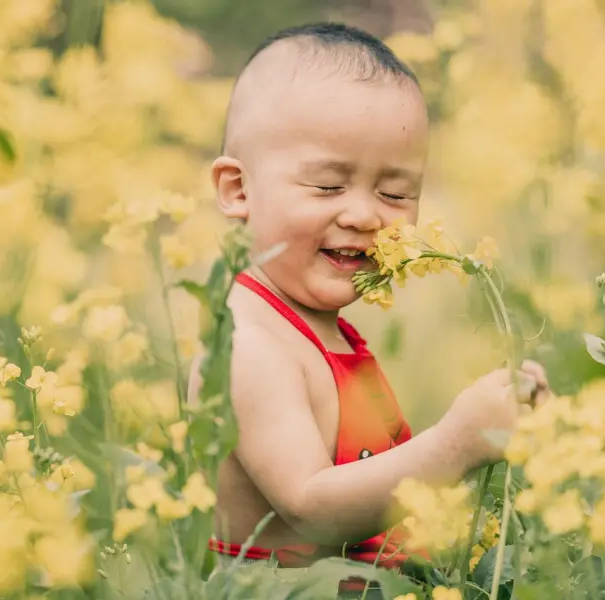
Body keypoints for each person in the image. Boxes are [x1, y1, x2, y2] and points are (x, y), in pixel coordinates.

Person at [186, 22, 549, 598]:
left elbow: (381, 488)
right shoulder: (248, 345)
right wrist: (455, 444)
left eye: (396, 194)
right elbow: (310, 506)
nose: (364, 215)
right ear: (238, 189)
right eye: (328, 186)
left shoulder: (326, 333)